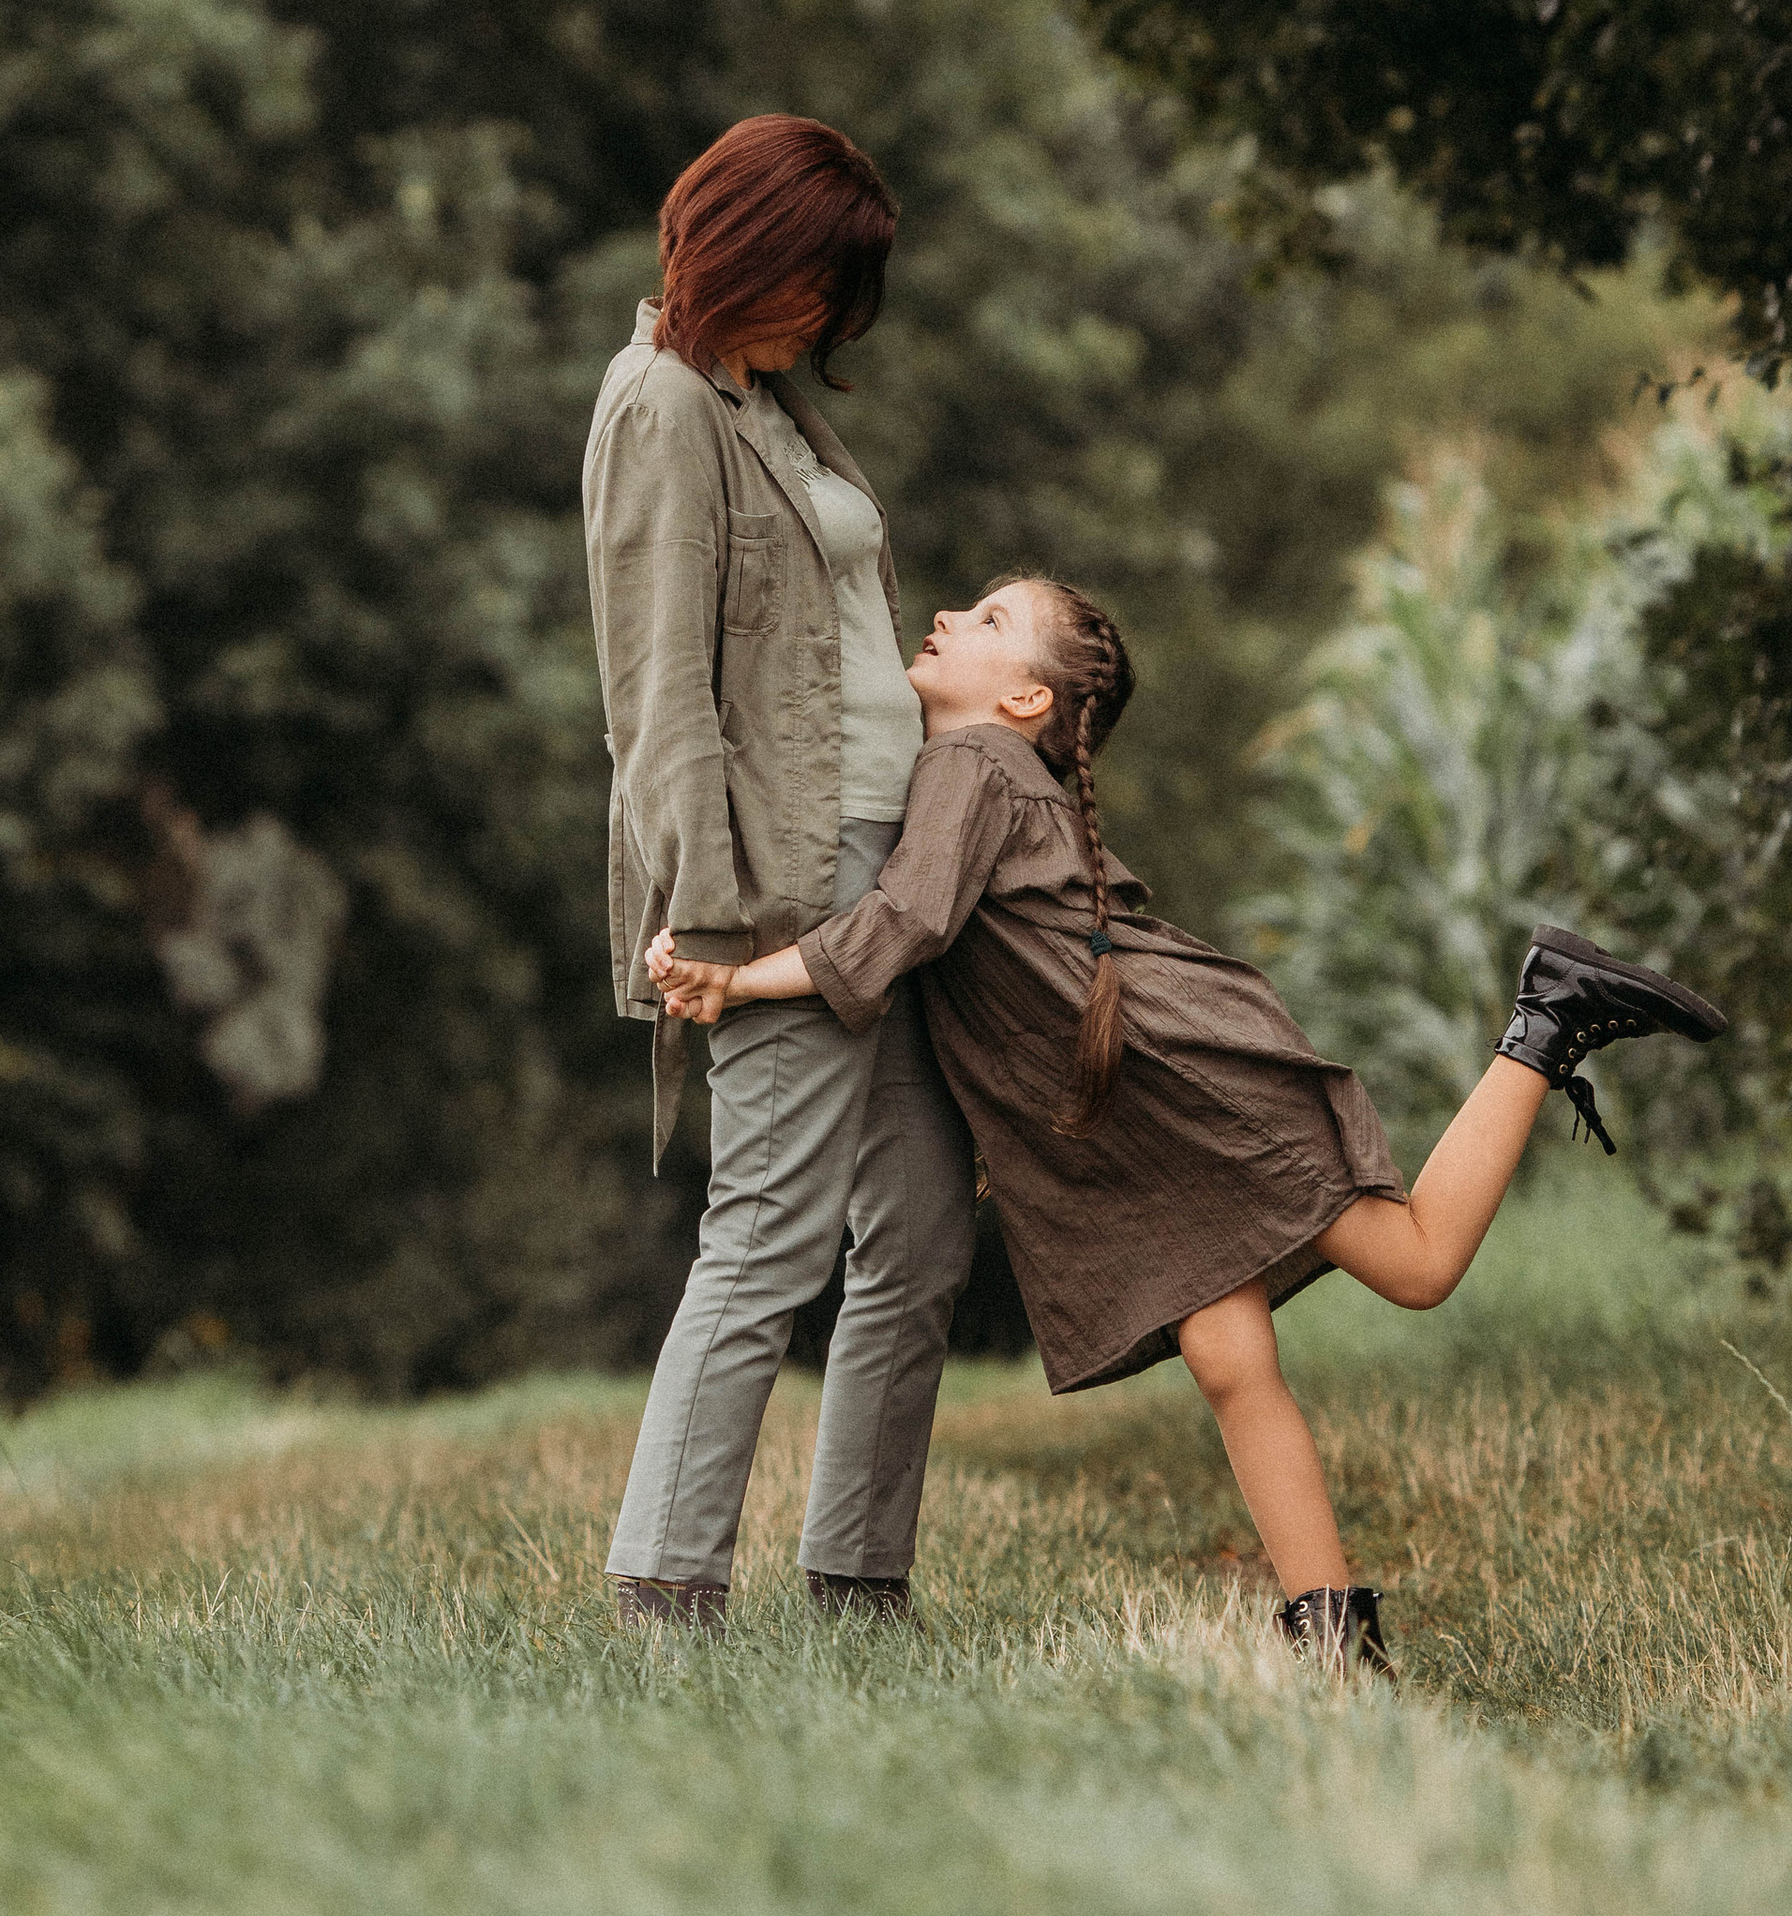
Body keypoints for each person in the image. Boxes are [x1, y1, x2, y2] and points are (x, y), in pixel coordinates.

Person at [651, 574, 1726, 1674]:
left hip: (1184, 1076)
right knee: (1227, 1357)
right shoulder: (990, 768)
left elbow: (907, 919)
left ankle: (1546, 1018)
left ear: (1025, 702)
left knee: (1415, 1266)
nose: (946, 619)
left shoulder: (969, 763)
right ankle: (1328, 1632)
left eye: (988, 623)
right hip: (1140, 1103)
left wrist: (739, 983)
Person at [584, 116, 977, 1636]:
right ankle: (664, 1588)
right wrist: (702, 907)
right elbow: (659, 690)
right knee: (769, 1232)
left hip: (889, 867)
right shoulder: (662, 405)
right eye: (818, 278)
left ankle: (857, 1581)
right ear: (742, 246)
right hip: (776, 882)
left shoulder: (776, 404)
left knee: (927, 1235)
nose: (830, 314)